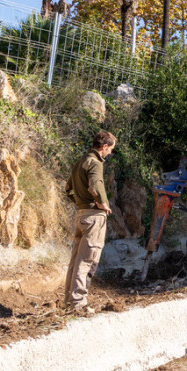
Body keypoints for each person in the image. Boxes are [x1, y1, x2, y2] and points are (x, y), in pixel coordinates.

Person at [63, 130, 116, 313]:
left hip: (81, 215)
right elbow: (95, 185)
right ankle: (78, 303)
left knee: (76, 260)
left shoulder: (80, 162)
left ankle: (69, 301)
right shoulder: (95, 162)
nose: (110, 153)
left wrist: (80, 203)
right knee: (87, 260)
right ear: (104, 147)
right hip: (94, 217)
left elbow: (68, 189)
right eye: (110, 149)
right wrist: (103, 204)